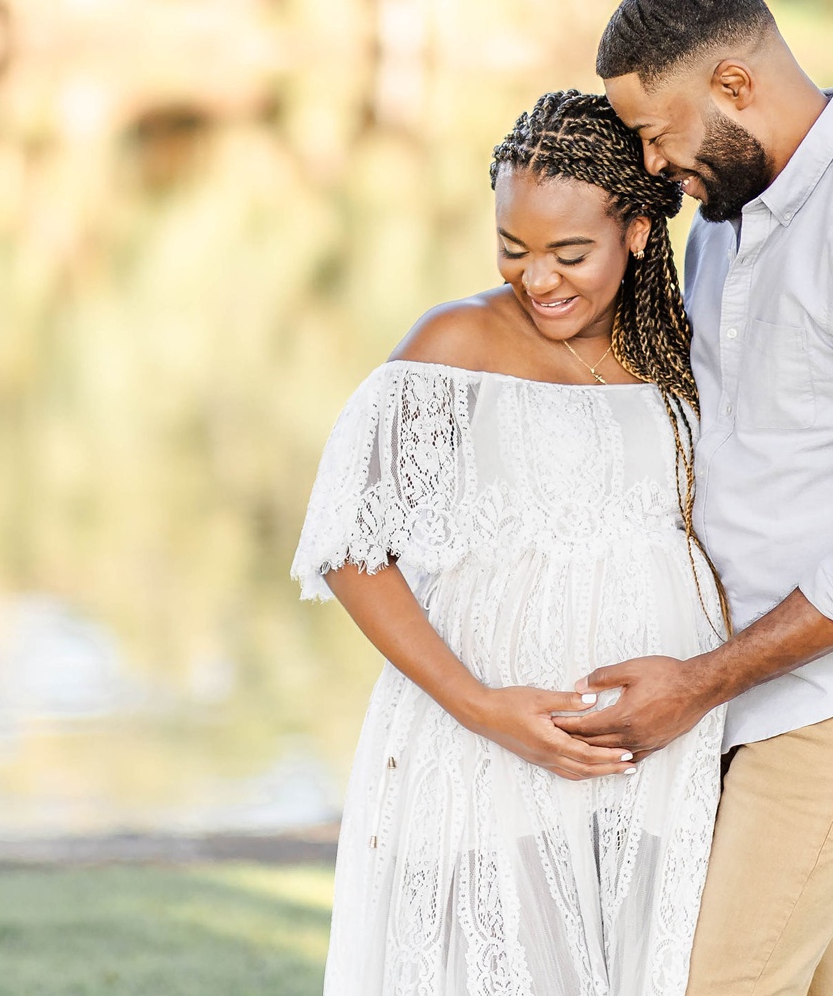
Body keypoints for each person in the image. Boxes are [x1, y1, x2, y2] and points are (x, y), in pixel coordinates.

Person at [554, 0, 833, 996]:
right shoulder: (726, 226)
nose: (655, 167)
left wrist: (701, 681)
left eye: (661, 135)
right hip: (746, 690)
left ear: (736, 85)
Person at [293, 89, 730, 996]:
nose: (539, 279)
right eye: (514, 248)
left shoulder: (682, 351)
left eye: (570, 253)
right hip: (486, 752)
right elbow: (348, 544)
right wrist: (484, 706)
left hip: (661, 759)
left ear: (640, 231)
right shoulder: (458, 343)